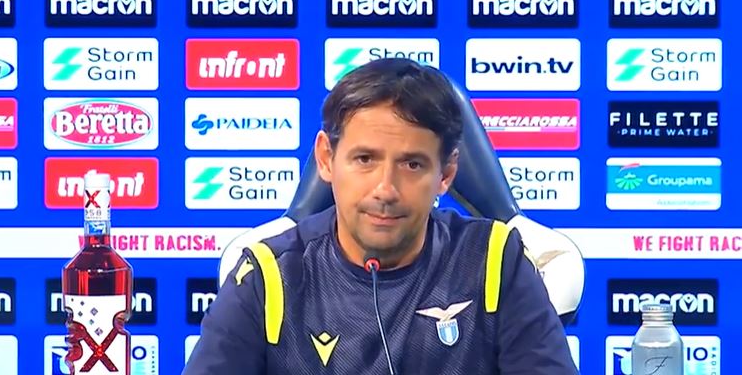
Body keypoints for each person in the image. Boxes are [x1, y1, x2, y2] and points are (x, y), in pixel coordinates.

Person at [183, 58, 579, 374]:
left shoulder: (494, 260)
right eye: (365, 159)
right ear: (326, 159)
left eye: (412, 164)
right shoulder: (269, 274)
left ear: (446, 174)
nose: (385, 189)